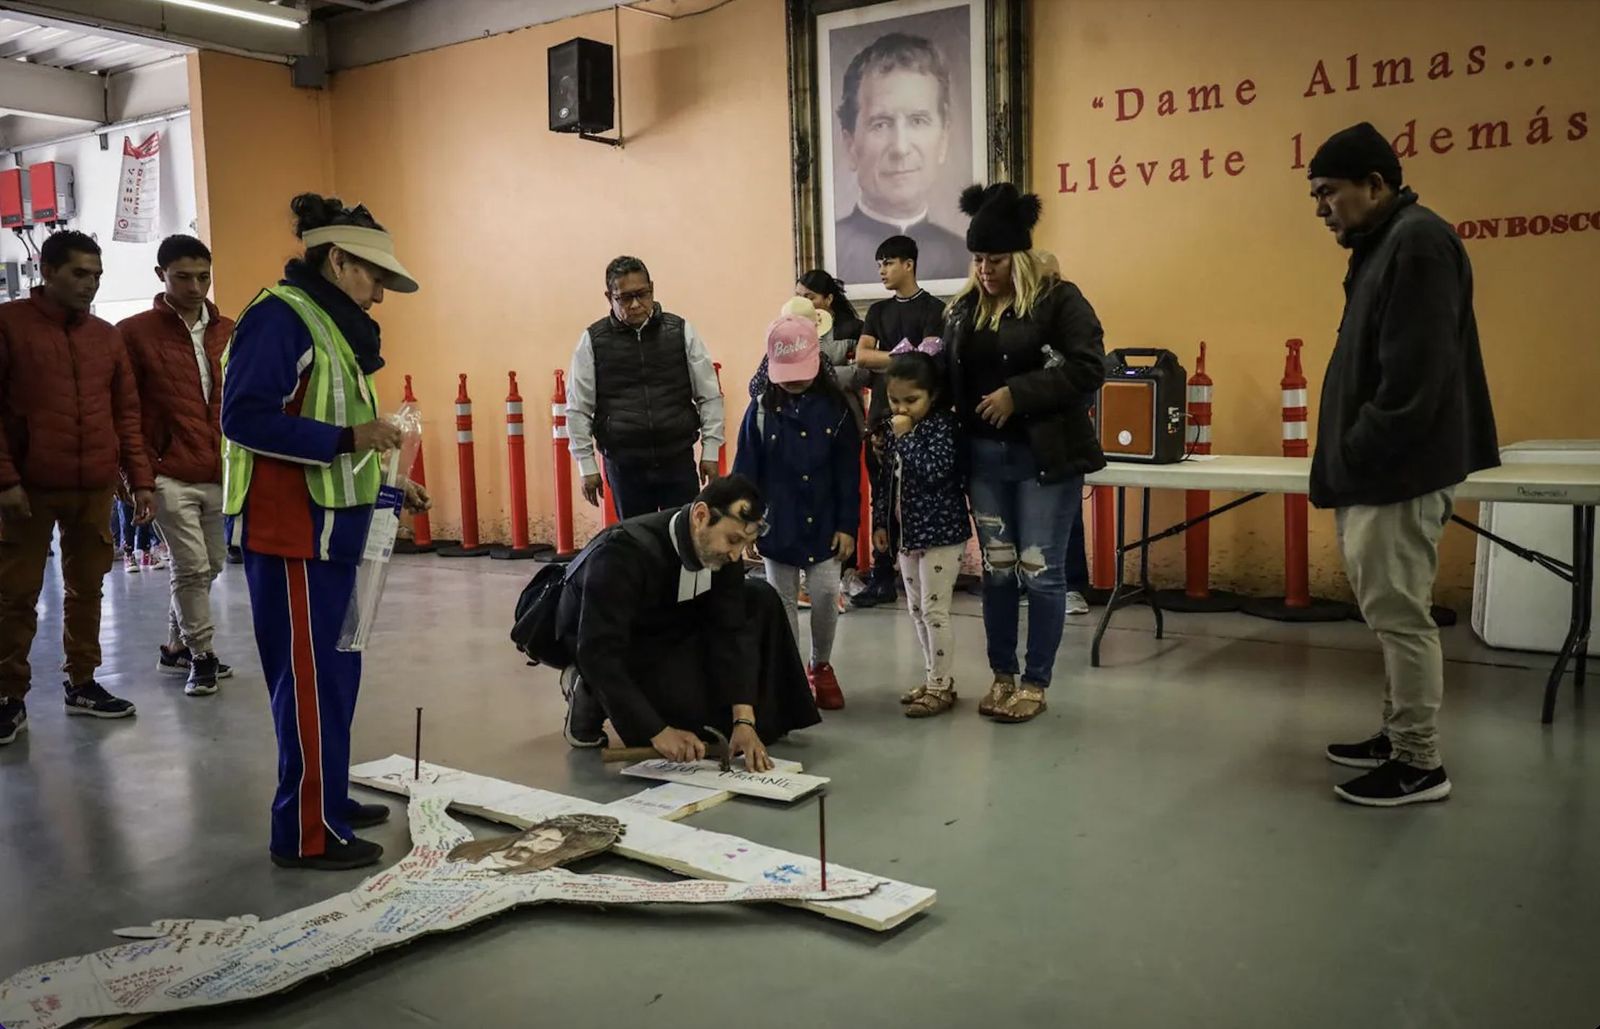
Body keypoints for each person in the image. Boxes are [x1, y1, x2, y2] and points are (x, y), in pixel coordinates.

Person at [221, 193, 430, 869]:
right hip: (292, 538)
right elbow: (245, 417)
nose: (379, 295)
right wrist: (350, 437)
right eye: (373, 277)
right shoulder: (280, 318)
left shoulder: (330, 326)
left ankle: (328, 796)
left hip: (334, 534)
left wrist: (388, 484)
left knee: (335, 678)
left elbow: (341, 436)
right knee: (308, 683)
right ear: (337, 260)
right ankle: (307, 831)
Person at [1306, 122, 1499, 807]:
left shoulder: (1417, 242)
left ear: (1376, 184)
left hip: (1398, 470)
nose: (1322, 207)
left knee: (1400, 615)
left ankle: (1419, 762)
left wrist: (1356, 449)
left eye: (1329, 192)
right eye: (1315, 195)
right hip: (1385, 468)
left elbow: (1415, 378)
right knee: (1390, 609)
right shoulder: (1386, 241)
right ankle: (1396, 733)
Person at [947, 183, 1106, 724]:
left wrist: (1020, 394)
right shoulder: (965, 309)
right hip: (984, 462)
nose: (985, 270)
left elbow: (1089, 369)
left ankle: (1036, 682)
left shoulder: (1060, 300)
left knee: (1040, 572)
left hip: (1043, 461)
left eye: (995, 260)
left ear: (1019, 257)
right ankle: (1001, 676)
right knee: (996, 571)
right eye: (977, 260)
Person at [0, 230, 155, 745]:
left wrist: (139, 481)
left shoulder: (106, 337)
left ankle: (84, 683)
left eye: (96, 275)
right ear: (47, 272)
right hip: (28, 488)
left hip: (93, 486)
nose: (90, 284)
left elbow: (126, 414)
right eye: (79, 273)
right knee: (15, 594)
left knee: (87, 587)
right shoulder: (9, 326)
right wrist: (5, 481)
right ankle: (8, 696)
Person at [555, 475, 821, 763]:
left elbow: (731, 628)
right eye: (732, 540)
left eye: (744, 544)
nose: (735, 554)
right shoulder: (621, 554)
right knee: (682, 730)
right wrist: (658, 731)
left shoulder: (724, 553)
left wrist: (743, 719)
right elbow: (598, 651)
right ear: (701, 516)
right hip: (614, 642)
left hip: (672, 623)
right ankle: (588, 691)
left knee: (759, 597)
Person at [119, 234, 237, 696]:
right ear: (160, 275)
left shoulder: (228, 329)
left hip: (218, 467)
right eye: (182, 277)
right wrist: (137, 476)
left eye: (203, 277)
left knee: (211, 565)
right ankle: (202, 657)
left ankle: (175, 648)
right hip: (165, 470)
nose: (194, 287)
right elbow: (125, 409)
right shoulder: (133, 333)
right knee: (189, 566)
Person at [734, 314, 860, 710]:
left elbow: (847, 475)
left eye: (802, 372)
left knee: (825, 596)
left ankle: (820, 665)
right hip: (777, 526)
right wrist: (745, 526)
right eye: (785, 373)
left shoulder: (837, 412)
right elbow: (744, 475)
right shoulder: (758, 413)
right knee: (781, 604)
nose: (794, 381)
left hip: (824, 525)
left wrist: (847, 525)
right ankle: (789, 677)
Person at [567, 256, 725, 519]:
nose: (636, 304)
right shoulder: (592, 341)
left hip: (677, 460)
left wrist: (710, 451)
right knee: (637, 550)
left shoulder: (681, 331)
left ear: (652, 288)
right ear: (609, 297)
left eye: (642, 294)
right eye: (625, 298)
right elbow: (578, 409)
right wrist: (586, 466)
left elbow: (709, 396)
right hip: (624, 467)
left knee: (684, 545)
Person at [852, 235, 947, 608]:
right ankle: (881, 574)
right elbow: (861, 357)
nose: (882, 271)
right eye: (879, 265)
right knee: (882, 495)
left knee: (916, 491)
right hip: (880, 416)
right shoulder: (877, 310)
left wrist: (889, 358)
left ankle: (921, 569)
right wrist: (906, 356)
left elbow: (929, 363)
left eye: (889, 263)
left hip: (920, 417)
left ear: (909, 264)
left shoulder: (935, 308)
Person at [875, 347, 970, 717]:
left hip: (942, 533)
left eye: (911, 401)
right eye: (893, 400)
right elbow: (886, 479)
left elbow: (936, 472)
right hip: (908, 534)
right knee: (915, 609)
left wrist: (908, 437)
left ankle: (940, 686)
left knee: (935, 610)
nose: (901, 409)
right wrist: (881, 522)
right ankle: (935, 677)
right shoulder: (895, 427)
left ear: (933, 395)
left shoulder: (942, 426)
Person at [834, 33, 968, 284]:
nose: (901, 148)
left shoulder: (966, 257)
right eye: (881, 124)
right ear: (850, 144)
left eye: (918, 121)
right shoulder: (832, 255)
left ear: (944, 138)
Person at [1036, 250, 1093, 619]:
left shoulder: (1074, 311)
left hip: (1063, 431)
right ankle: (1033, 585)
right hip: (1024, 435)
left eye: (1050, 280)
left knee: (1066, 516)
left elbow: (1088, 374)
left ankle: (1073, 587)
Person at [112, 489, 163, 573]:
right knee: (126, 512)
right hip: (123, 479)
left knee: (146, 509)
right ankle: (128, 553)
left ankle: (146, 551)